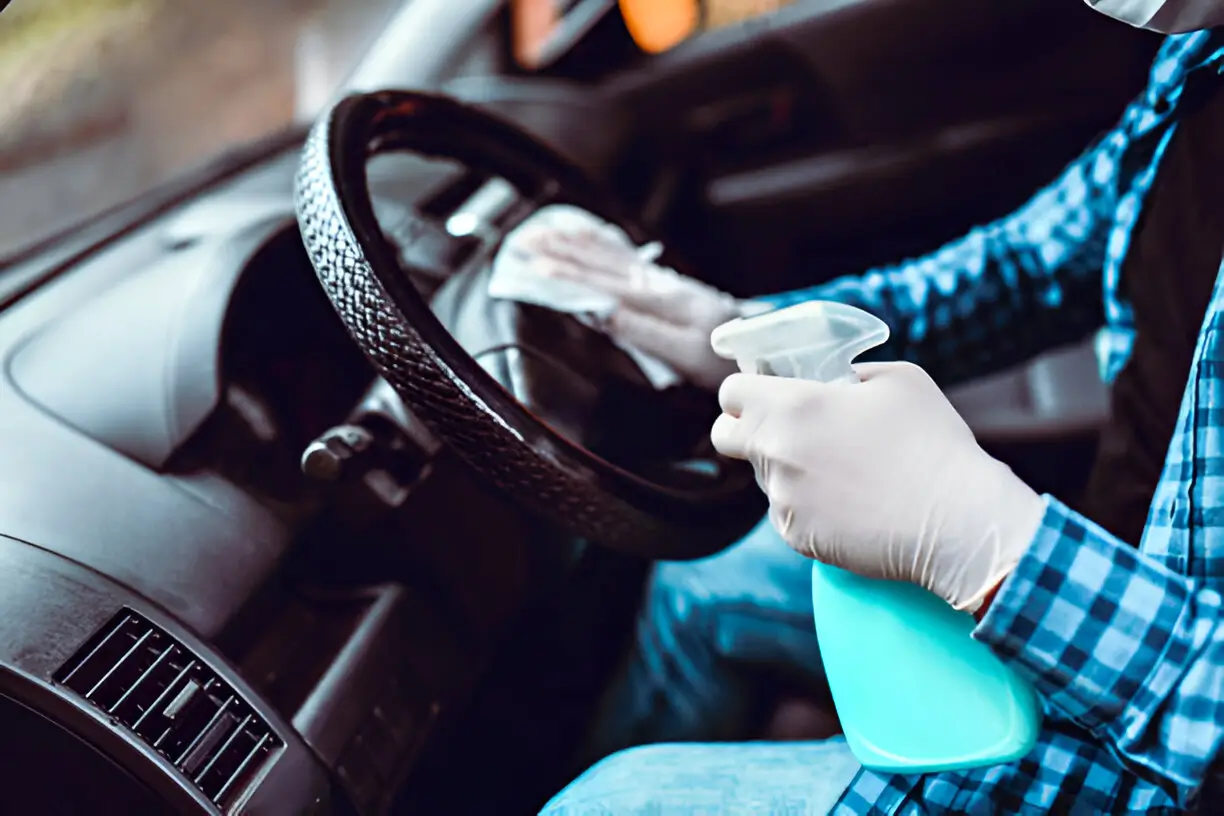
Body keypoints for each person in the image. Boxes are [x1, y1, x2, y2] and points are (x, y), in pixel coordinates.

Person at [526, 2, 1224, 812]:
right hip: (1118, 566)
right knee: (710, 575)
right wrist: (740, 324)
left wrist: (996, 549)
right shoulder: (1201, 62)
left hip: (1163, 751)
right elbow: (1029, 262)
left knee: (604, 803)